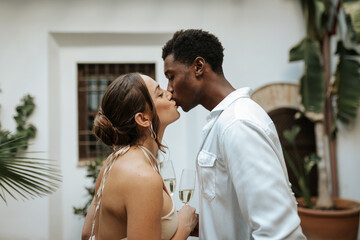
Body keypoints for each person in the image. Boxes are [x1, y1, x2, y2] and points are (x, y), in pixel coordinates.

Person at [162, 29, 306, 239]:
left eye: (171, 77)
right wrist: (198, 226)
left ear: (198, 67)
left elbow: (278, 231)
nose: (169, 89)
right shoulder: (223, 120)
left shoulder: (238, 123)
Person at [81, 73, 198, 240]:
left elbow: (88, 234)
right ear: (143, 118)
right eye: (160, 94)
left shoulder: (113, 162)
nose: (169, 92)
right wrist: (185, 227)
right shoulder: (143, 177)